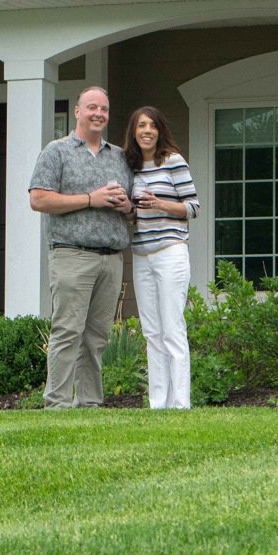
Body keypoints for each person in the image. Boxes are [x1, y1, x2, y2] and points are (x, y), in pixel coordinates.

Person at [28, 87, 134, 408]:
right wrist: (92, 199)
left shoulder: (119, 157)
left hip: (111, 259)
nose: (98, 114)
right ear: (77, 112)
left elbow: (133, 209)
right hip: (72, 255)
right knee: (67, 332)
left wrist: (125, 205)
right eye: (91, 107)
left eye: (104, 108)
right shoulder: (56, 151)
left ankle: (89, 403)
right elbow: (39, 199)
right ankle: (57, 404)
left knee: (97, 337)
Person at [124, 106, 200, 410]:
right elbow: (133, 213)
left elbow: (193, 207)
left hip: (170, 252)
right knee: (151, 331)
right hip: (141, 255)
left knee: (172, 328)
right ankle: (158, 403)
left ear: (160, 131)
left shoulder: (173, 162)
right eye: (141, 125)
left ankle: (180, 403)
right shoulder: (129, 168)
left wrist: (160, 204)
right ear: (133, 131)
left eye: (152, 126)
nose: (146, 131)